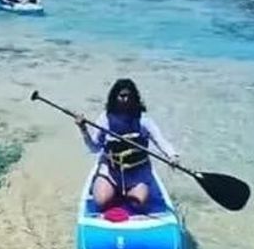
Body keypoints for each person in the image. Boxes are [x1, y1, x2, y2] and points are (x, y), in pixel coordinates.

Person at [76, 78, 178, 211]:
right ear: (114, 97)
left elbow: (160, 140)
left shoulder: (143, 120)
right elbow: (94, 148)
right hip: (111, 171)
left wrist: (172, 155)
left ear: (134, 98)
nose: (126, 100)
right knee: (101, 202)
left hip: (137, 172)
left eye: (129, 96)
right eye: (122, 96)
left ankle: (126, 191)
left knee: (138, 203)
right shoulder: (105, 119)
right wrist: (83, 129)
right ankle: (112, 189)